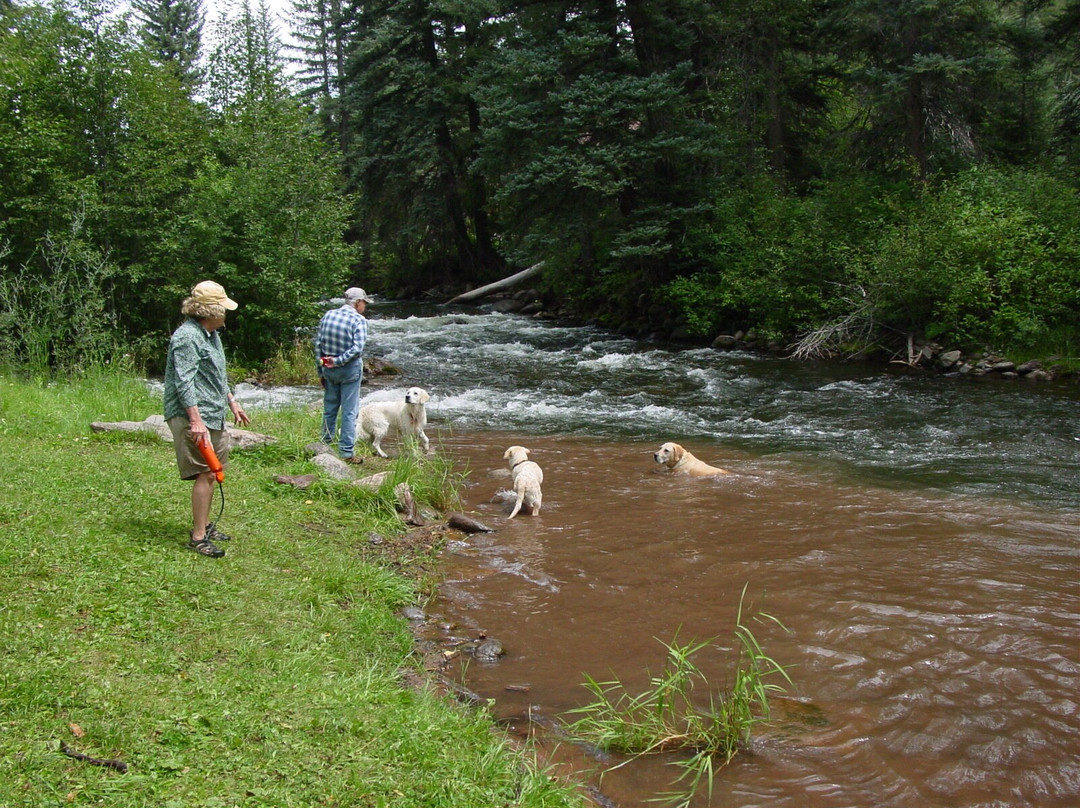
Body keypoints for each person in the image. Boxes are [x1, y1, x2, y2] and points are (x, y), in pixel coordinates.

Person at [164, 280, 251, 558]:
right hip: (194, 415)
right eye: (223, 308)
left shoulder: (211, 335)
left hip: (214, 413)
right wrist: (195, 420)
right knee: (206, 472)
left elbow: (216, 375)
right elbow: (184, 381)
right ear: (210, 310)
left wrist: (232, 401)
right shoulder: (187, 337)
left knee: (213, 473)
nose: (226, 313)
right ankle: (199, 536)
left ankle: (204, 526)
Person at [314, 286, 372, 463]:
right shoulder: (359, 320)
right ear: (358, 302)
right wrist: (338, 361)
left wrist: (322, 369)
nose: (365, 307)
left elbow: (318, 345)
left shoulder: (328, 315)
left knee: (329, 409)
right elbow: (357, 350)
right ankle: (346, 453)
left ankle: (325, 445)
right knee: (349, 411)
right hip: (349, 370)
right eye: (365, 303)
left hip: (329, 371)